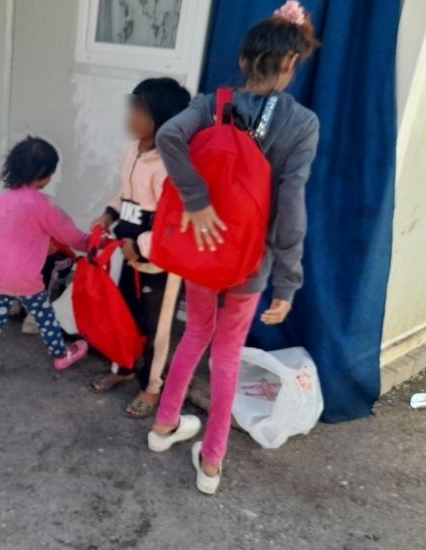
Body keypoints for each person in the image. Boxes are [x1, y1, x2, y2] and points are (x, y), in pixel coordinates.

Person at [147, 0, 320, 494]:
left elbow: (168, 135)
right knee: (227, 353)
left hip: (203, 249)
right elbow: (291, 206)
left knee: (195, 334)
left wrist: (197, 202)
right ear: (292, 63)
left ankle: (165, 424)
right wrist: (287, 281)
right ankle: (212, 461)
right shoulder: (302, 124)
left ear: (244, 60)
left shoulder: (211, 104)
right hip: (250, 262)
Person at [89, 78, 191, 418]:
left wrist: (141, 246)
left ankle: (152, 387)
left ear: (163, 117)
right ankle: (124, 368)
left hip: (160, 265)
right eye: (132, 105)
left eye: (141, 109)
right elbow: (127, 195)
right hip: (129, 256)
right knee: (126, 316)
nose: (131, 115)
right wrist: (109, 214)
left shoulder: (170, 166)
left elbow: (173, 223)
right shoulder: (131, 152)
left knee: (157, 327)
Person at [0, 137, 89, 381]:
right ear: (43, 173)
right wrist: (92, 244)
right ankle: (61, 354)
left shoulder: (4, 199)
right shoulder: (43, 205)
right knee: (45, 318)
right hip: (26, 277)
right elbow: (70, 235)